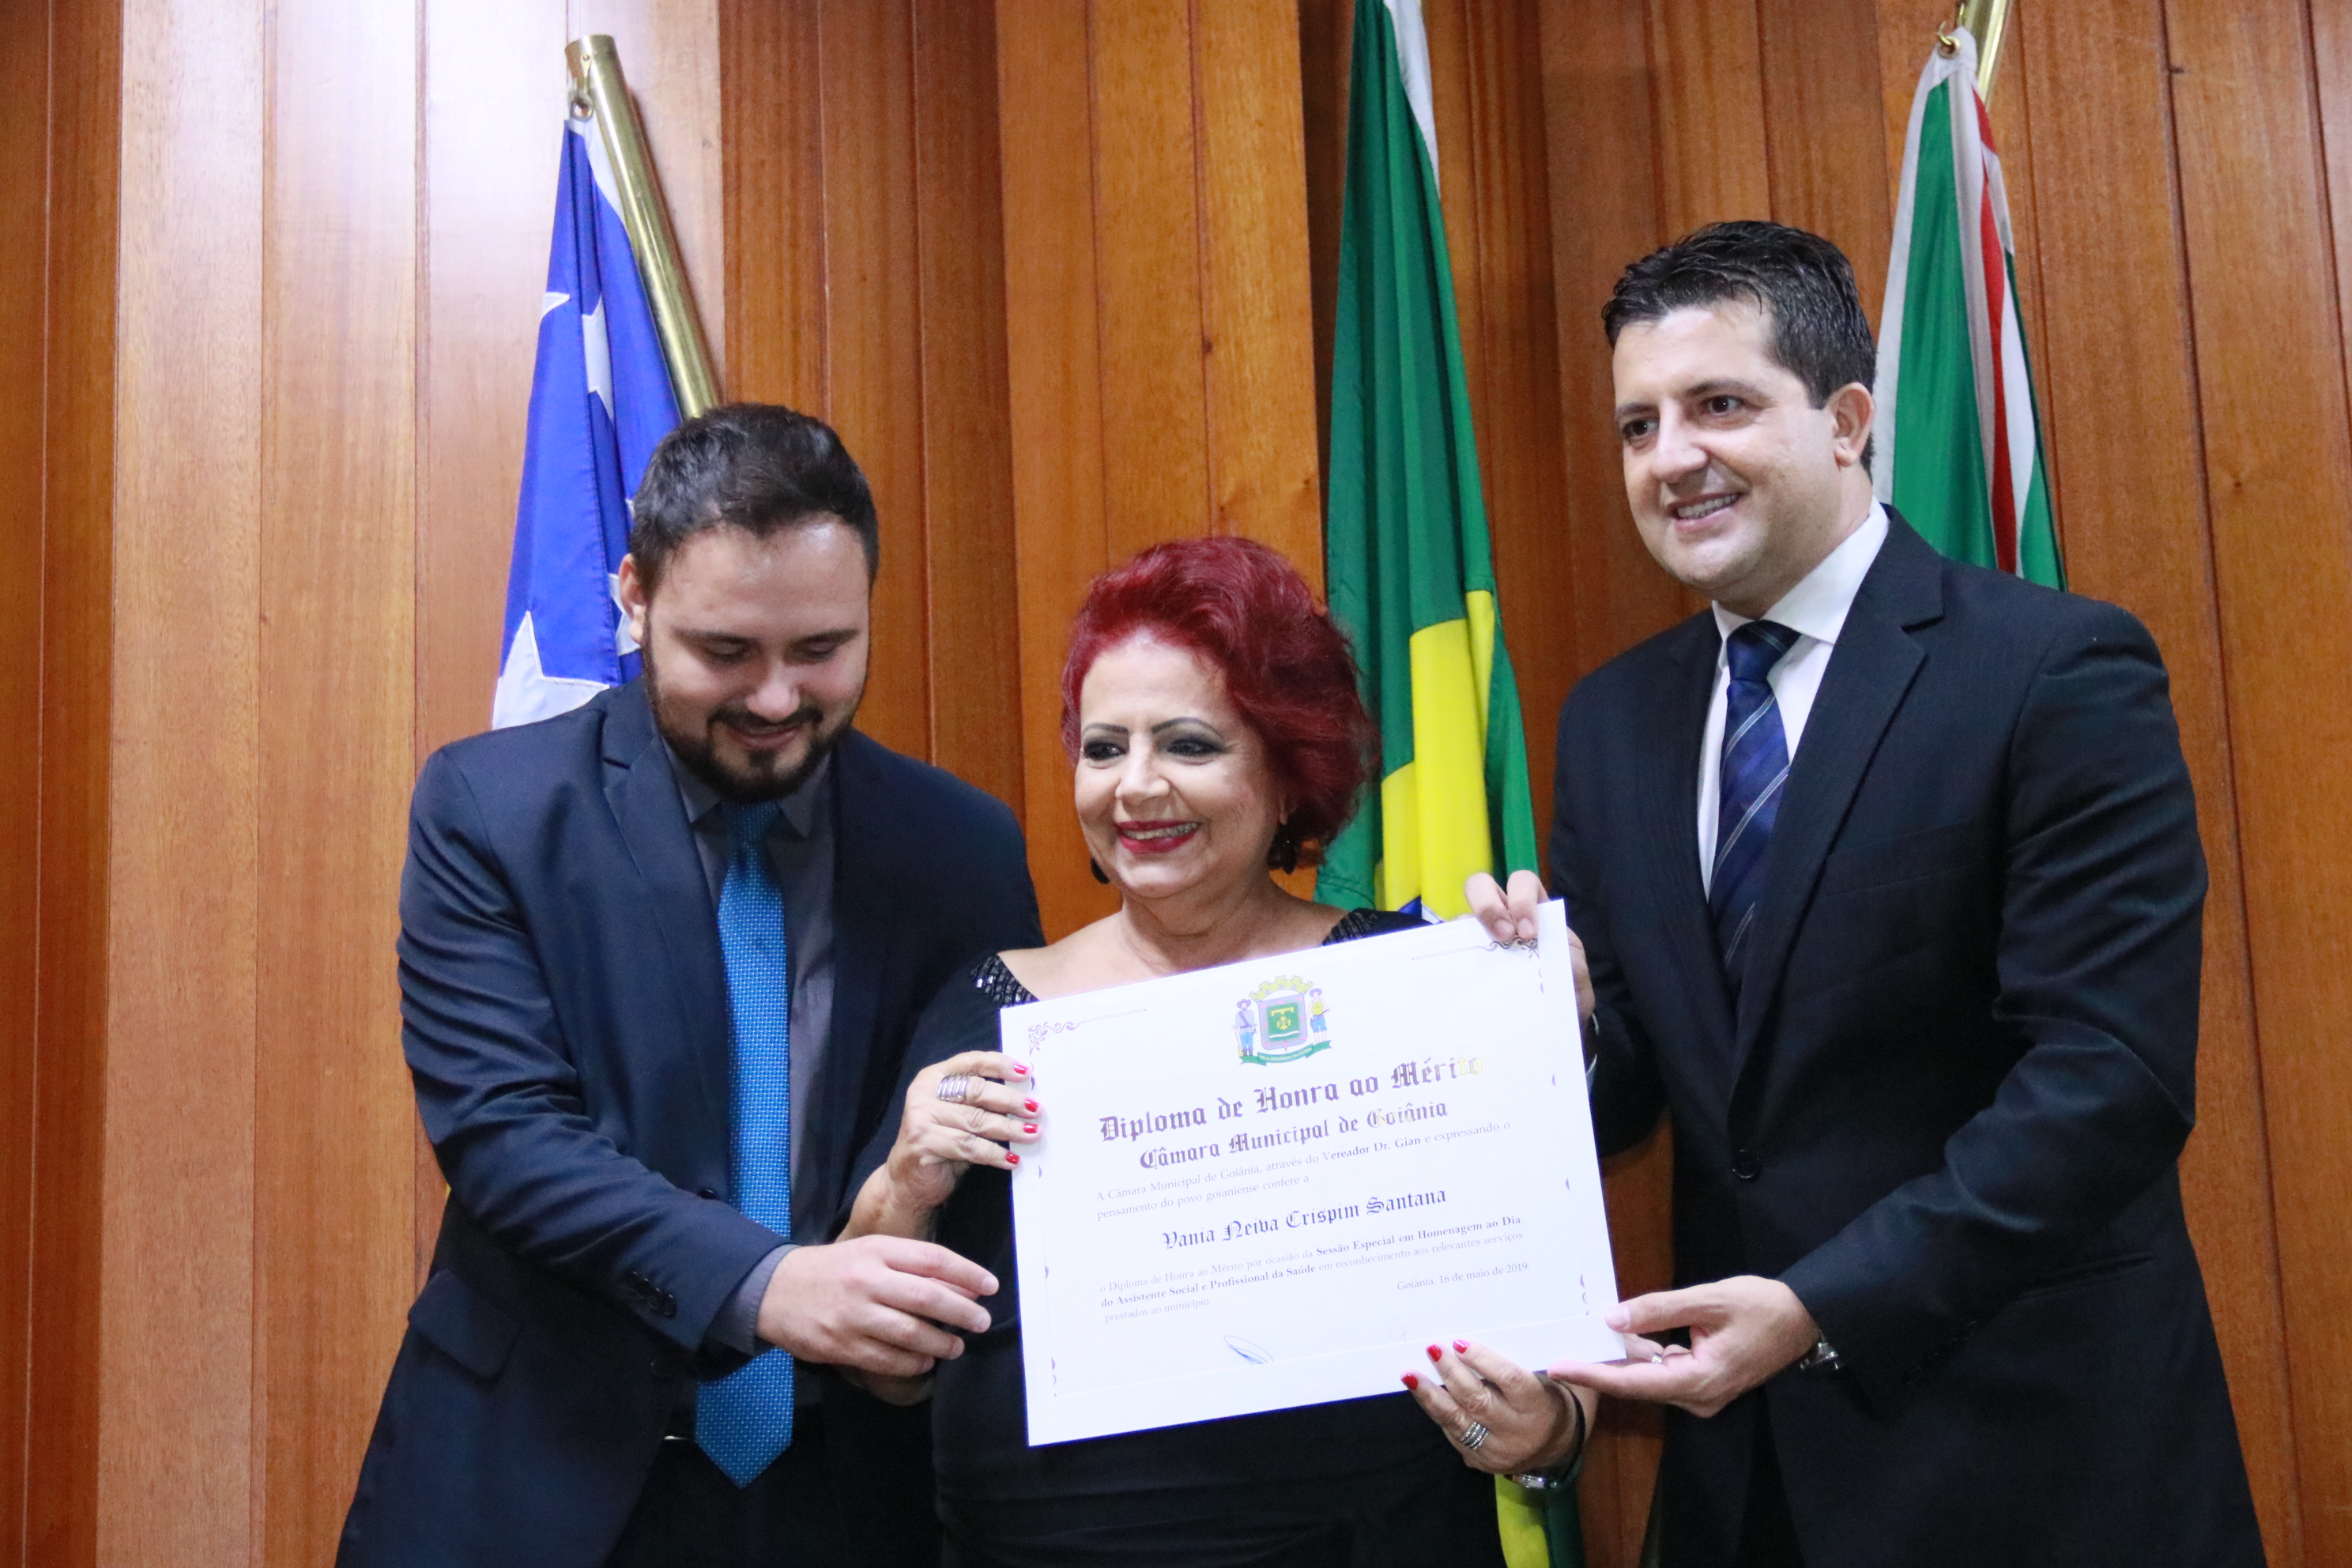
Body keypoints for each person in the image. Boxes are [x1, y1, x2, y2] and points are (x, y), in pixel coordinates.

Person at [1471, 221, 2264, 1566]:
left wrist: (1820, 1306)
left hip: (2030, 1462)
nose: (1671, 457)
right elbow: (1646, 1089)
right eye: (1638, 425)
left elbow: (2109, 1080)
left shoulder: (2053, 671)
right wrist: (1565, 1026)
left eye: (1720, 406)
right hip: (1748, 1489)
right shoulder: (1615, 722)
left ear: (1846, 422)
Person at [337, 405, 1043, 1568]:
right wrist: (765, 1284)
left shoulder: (961, 848)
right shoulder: (493, 809)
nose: (774, 698)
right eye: (726, 652)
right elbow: (506, 1136)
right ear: (634, 597)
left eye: (820, 650)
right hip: (535, 1474)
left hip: (858, 1492)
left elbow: (995, 1162)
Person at [840, 536, 1591, 1566]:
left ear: (1287, 774)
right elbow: (885, 1375)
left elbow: (1560, 1371)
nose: (1136, 786)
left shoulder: (1414, 985)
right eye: (1105, 748)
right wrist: (906, 1186)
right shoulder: (985, 1011)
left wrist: (1548, 1433)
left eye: (1189, 745)